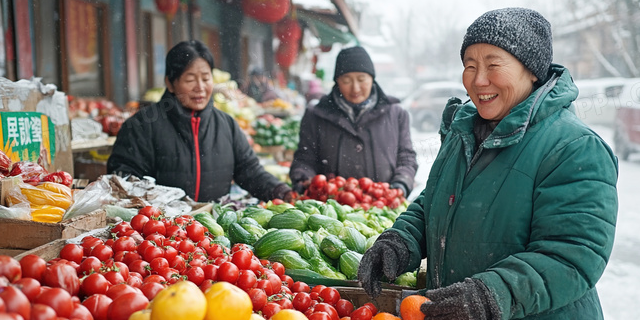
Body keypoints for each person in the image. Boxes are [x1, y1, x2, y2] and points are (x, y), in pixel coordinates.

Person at [357, 8, 618, 320]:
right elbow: (437, 201)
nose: (478, 80)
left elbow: (574, 254)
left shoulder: (573, 147)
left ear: (531, 71)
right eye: (469, 65)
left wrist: (490, 294)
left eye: (493, 65)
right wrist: (402, 240)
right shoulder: (466, 131)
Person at [107, 41, 292, 203]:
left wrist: (281, 191)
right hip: (162, 235)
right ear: (170, 83)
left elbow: (250, 171)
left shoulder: (226, 125)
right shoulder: (141, 126)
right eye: (190, 79)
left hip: (211, 235)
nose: (200, 88)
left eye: (205, 78)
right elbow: (124, 181)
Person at [289, 46, 418, 197]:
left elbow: (406, 157)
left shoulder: (396, 114)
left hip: (383, 205)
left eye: (362, 79)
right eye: (347, 80)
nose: (355, 88)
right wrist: (302, 180)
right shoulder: (316, 115)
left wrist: (402, 183)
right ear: (337, 81)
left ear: (372, 79)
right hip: (332, 208)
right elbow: (304, 159)